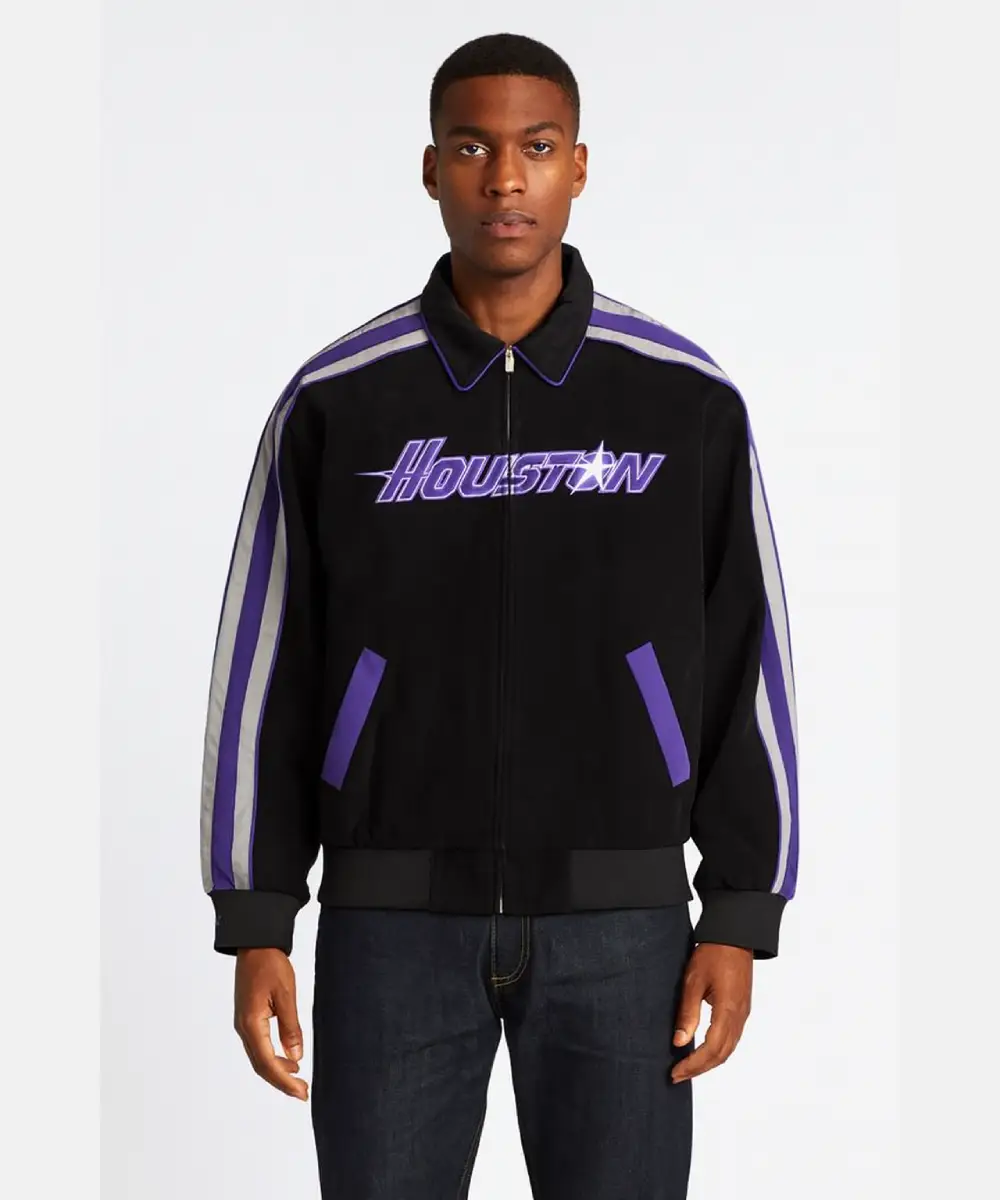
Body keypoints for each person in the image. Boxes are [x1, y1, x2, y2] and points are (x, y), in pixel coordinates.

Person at [199, 31, 799, 1200]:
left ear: (579, 166)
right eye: (472, 148)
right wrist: (257, 914)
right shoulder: (337, 400)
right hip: (389, 930)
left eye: (535, 147)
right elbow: (266, 660)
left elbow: (748, 658)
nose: (505, 178)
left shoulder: (681, 398)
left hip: (623, 930)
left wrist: (737, 908)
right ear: (431, 169)